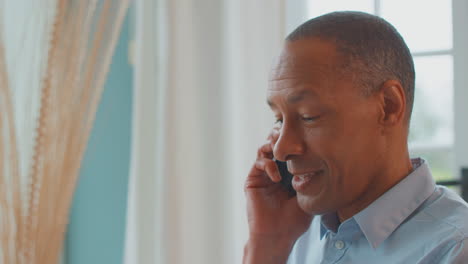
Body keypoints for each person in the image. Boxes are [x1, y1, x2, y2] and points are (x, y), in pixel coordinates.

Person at [243, 11, 468, 264]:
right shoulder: (294, 237)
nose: (281, 149)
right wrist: (266, 243)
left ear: (389, 106)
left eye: (308, 116)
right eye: (279, 119)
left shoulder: (455, 250)